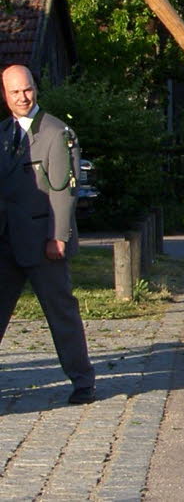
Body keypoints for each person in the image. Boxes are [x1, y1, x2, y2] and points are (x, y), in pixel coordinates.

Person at [0, 64, 96, 404]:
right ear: (5, 95)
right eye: (14, 92)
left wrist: (60, 236)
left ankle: (83, 380)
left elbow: (63, 190)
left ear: (35, 89)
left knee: (61, 314)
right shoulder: (3, 133)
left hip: (44, 242)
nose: (22, 97)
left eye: (27, 90)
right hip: (6, 241)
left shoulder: (56, 132)